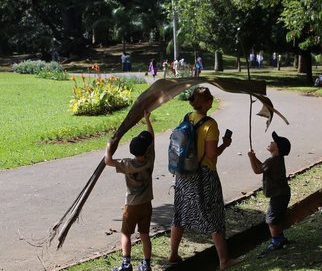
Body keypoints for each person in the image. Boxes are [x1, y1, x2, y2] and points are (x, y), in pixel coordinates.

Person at [168, 87, 240, 270]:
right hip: (204, 175)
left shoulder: (187, 118)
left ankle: (173, 253)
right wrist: (225, 144)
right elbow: (211, 154)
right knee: (214, 215)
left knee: (180, 212)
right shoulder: (211, 125)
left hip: (184, 173)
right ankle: (223, 260)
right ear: (207, 102)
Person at [105, 110, 155, 271]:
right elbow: (151, 138)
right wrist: (148, 121)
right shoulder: (150, 159)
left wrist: (108, 146)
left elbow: (108, 161)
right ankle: (146, 265)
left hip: (132, 205)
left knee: (126, 233)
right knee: (145, 235)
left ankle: (126, 264)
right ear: (147, 149)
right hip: (146, 204)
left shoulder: (127, 164)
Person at [247, 131, 291, 258]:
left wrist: (250, 158)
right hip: (283, 194)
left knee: (271, 219)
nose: (270, 142)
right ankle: (280, 238)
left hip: (278, 195)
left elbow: (257, 170)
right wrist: (254, 157)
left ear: (276, 149)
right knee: (277, 218)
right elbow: (263, 167)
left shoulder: (272, 161)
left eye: (273, 142)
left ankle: (276, 241)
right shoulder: (277, 159)